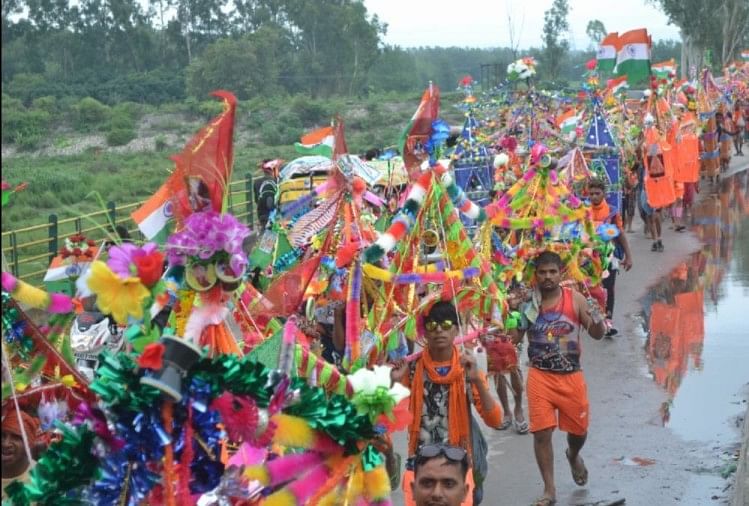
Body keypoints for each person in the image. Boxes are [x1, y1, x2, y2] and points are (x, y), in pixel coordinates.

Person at [509, 251, 606, 506]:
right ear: (536, 275)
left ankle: (573, 455)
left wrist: (598, 319)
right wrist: (510, 313)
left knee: (579, 431)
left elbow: (597, 334)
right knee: (541, 434)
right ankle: (549, 490)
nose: (548, 277)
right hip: (540, 376)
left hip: (571, 377)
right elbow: (514, 339)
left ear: (561, 272)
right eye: (542, 272)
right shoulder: (528, 303)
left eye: (552, 271)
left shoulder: (576, 299)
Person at [391, 301, 502, 506]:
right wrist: (394, 382)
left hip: (458, 465)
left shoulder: (467, 366)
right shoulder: (412, 368)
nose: (439, 330)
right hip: (421, 465)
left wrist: (476, 379)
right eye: (432, 325)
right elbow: (390, 418)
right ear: (424, 332)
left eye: (446, 323)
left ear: (456, 329)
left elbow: (495, 419)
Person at [588, 179, 633, 336]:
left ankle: (608, 320)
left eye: (597, 193)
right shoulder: (583, 211)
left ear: (604, 194)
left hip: (609, 257)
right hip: (588, 258)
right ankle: (593, 321)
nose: (594, 197)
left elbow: (620, 234)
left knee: (608, 288)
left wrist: (628, 256)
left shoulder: (612, 212)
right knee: (591, 289)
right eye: (591, 194)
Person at [2, 406, 41, 499]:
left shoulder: (42, 478)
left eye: (16, 437)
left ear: (29, 443)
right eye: (2, 435)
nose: (5, 443)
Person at [253, 159, 279, 229]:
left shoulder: (257, 182)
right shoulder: (278, 181)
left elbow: (256, 200)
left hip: (262, 214)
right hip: (277, 215)